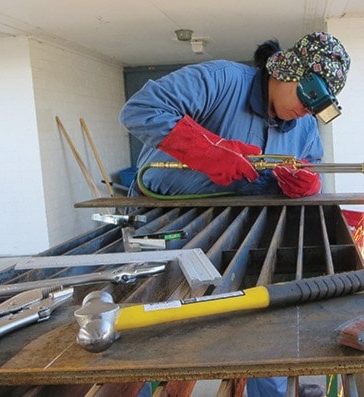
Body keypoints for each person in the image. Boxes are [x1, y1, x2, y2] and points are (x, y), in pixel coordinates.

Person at [120, 31, 350, 397]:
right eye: (306, 98)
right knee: (155, 334)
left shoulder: (304, 125)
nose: (306, 111)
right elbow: (139, 110)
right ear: (284, 70)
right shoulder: (222, 79)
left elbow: (312, 167)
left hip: (246, 232)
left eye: (315, 107)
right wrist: (207, 150)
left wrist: (307, 185)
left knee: (264, 330)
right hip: (166, 225)